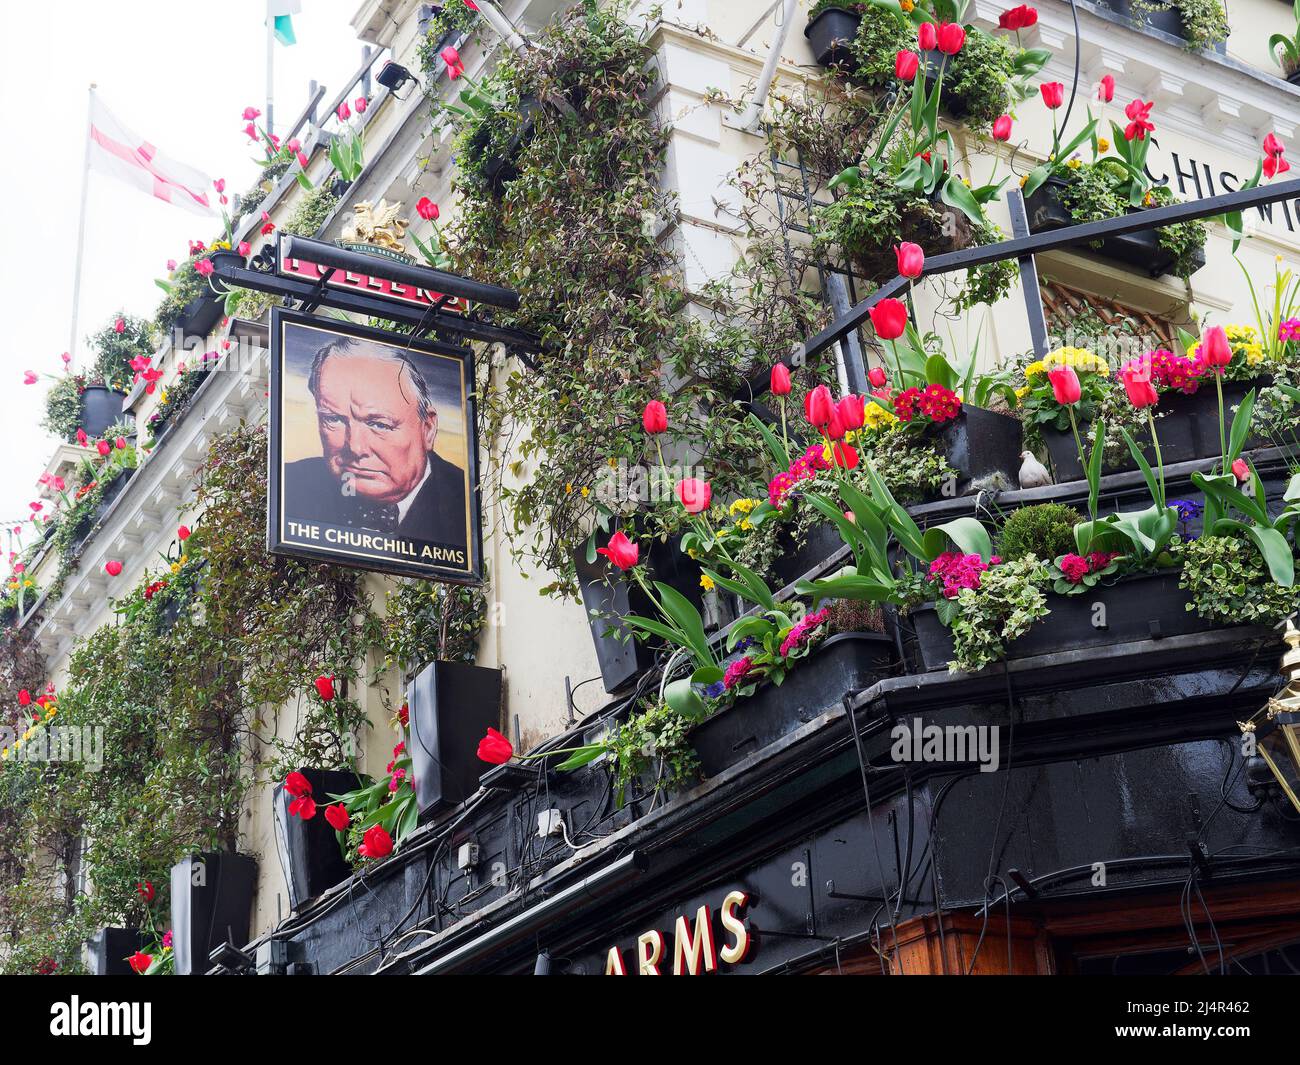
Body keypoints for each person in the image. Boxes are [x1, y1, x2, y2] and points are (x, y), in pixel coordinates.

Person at [283, 335, 467, 552]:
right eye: (333, 419)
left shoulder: (465, 501)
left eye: (379, 424)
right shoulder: (290, 487)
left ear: (427, 429)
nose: (355, 447)